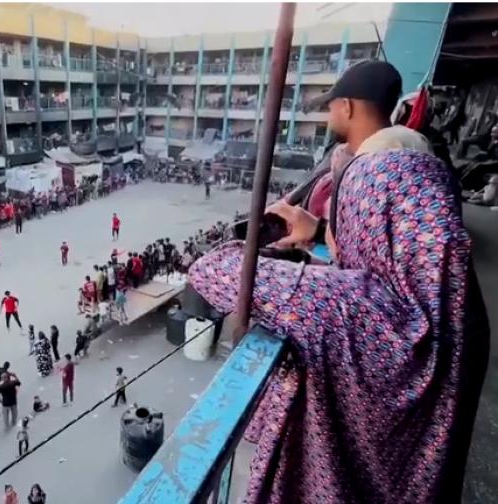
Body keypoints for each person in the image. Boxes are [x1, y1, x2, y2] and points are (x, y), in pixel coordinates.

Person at [188, 61, 489, 503]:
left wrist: (278, 254)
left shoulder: (364, 307)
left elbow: (215, 270)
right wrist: (316, 234)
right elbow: (375, 262)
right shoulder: (451, 317)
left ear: (346, 107)